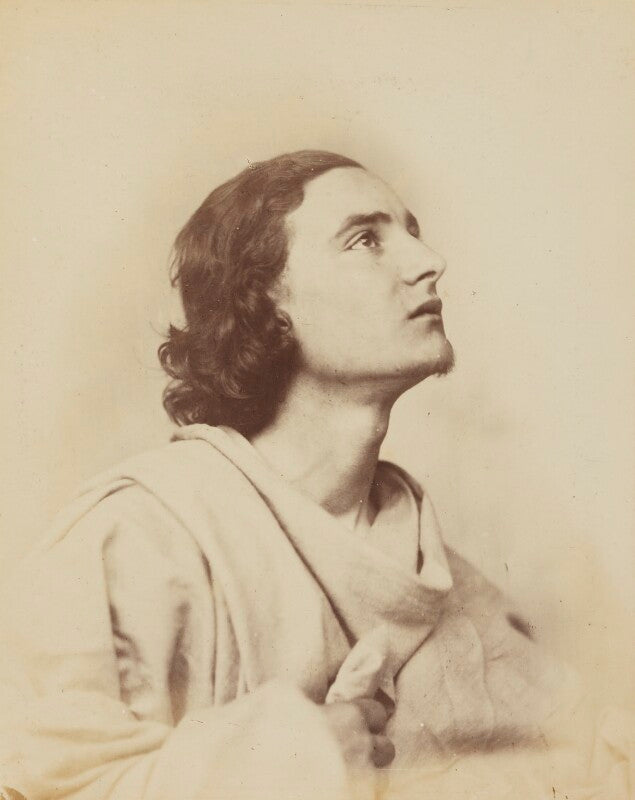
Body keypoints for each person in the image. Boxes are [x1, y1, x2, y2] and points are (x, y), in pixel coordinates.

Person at [0, 151, 631, 800]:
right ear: (267, 303)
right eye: (365, 240)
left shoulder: (457, 589)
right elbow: (39, 782)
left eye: (411, 231)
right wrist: (289, 763)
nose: (428, 261)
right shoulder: (140, 538)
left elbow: (595, 765)